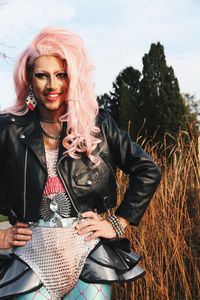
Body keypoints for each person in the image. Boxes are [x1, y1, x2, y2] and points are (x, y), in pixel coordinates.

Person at [0, 27, 161, 300]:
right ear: (28, 78)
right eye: (42, 75)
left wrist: (119, 221)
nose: (52, 85)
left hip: (87, 256)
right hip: (31, 258)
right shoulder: (7, 129)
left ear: (73, 78)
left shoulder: (98, 125)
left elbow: (147, 170)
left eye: (61, 75)